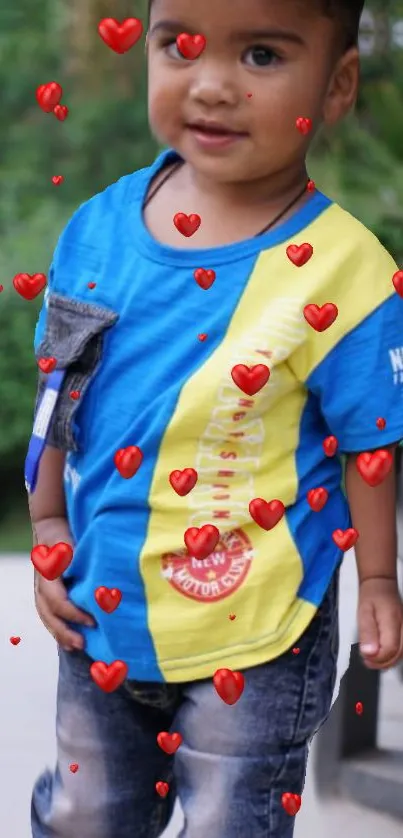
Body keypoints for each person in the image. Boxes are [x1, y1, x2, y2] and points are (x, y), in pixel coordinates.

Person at [28, 0, 403, 836]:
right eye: (178, 46)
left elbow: (370, 441)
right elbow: (61, 385)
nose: (211, 85)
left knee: (236, 820)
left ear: (337, 84)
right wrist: (48, 519)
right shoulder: (97, 229)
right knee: (87, 814)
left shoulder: (344, 270)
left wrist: (377, 577)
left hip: (259, 631)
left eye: (262, 55)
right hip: (104, 607)